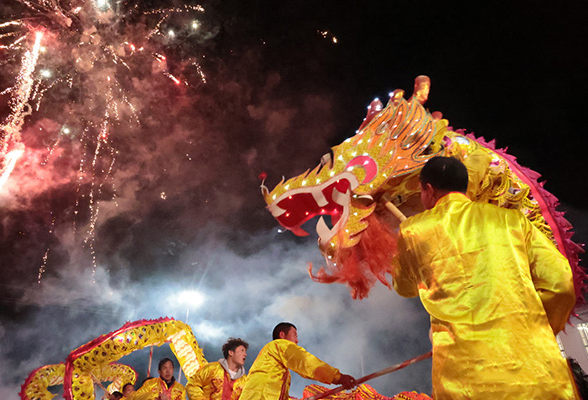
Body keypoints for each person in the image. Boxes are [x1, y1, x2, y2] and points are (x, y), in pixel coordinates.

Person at [392, 156, 577, 399]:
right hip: (537, 374)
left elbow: (403, 287)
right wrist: (536, 327)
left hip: (466, 381)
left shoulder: (413, 230)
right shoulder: (511, 220)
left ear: (428, 189)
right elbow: (560, 282)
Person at [240, 322, 355, 400]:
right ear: (282, 335)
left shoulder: (271, 359)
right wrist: (337, 377)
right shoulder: (279, 344)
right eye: (294, 335)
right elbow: (305, 362)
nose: (297, 340)